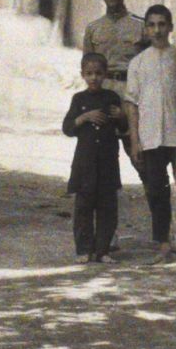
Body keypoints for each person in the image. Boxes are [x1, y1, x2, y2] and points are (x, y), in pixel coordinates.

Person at [125, 3, 176, 263]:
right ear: (146, 29)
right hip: (151, 135)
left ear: (170, 27)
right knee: (157, 191)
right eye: (152, 25)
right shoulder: (139, 63)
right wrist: (134, 139)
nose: (157, 29)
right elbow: (131, 102)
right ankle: (163, 244)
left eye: (162, 24)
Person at [64, 53, 127, 262]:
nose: (94, 78)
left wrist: (121, 116)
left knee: (107, 208)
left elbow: (123, 128)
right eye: (89, 74)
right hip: (85, 163)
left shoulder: (111, 98)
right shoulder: (79, 99)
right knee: (83, 207)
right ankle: (84, 250)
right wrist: (84, 117)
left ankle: (103, 251)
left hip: (107, 162)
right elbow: (67, 128)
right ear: (82, 75)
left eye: (98, 73)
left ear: (105, 75)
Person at [82, 0, 149, 98]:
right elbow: (87, 68)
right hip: (102, 91)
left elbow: (151, 65)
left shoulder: (141, 26)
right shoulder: (93, 28)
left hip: (132, 91)